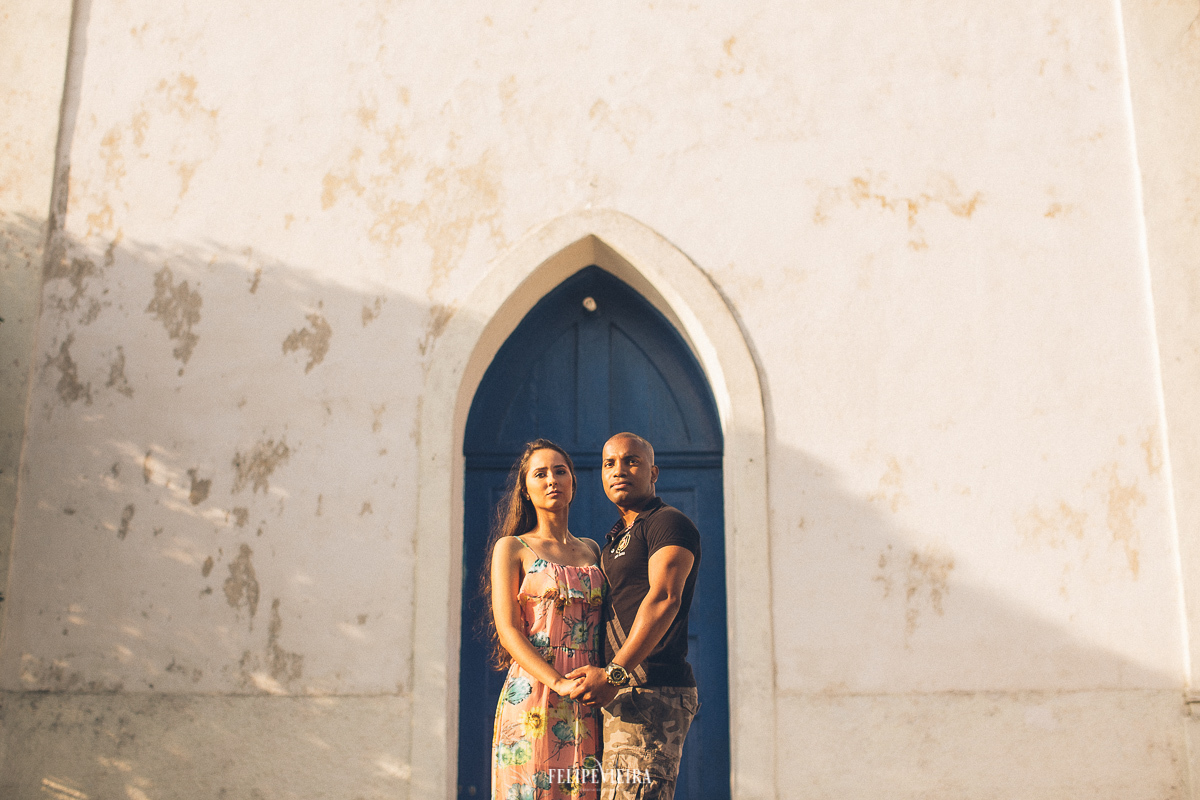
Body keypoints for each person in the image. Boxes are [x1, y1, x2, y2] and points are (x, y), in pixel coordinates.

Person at [567, 433, 701, 800]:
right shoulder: (617, 539)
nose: (619, 470)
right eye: (609, 463)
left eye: (631, 461)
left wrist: (614, 673)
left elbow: (664, 599)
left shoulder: (669, 523)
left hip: (651, 689)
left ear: (653, 472)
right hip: (624, 693)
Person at [485, 439, 606, 800]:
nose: (552, 479)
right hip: (535, 694)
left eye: (560, 470)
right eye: (540, 473)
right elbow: (508, 631)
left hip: (587, 695)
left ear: (572, 482)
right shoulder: (512, 547)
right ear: (526, 489)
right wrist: (557, 682)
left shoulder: (591, 550)